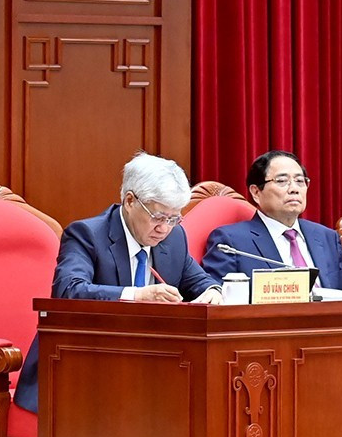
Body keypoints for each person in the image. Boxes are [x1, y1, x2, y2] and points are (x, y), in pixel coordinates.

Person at [13, 152, 220, 413]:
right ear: (130, 201)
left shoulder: (174, 238)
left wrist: (213, 291)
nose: (164, 228)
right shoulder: (87, 235)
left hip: (148, 369)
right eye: (158, 217)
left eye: (173, 218)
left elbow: (200, 280)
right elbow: (68, 290)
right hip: (79, 369)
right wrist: (137, 296)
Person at [203, 150, 342, 291]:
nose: (294, 189)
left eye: (300, 181)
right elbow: (221, 300)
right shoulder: (230, 242)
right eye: (282, 181)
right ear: (256, 192)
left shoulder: (327, 237)